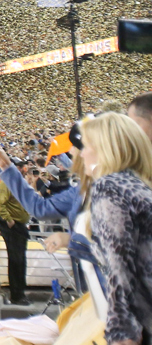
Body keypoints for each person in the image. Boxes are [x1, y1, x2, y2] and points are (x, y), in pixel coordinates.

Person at [79, 112, 152, 345]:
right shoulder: (137, 185)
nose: (81, 153)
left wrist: (121, 330)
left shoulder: (109, 188)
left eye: (86, 146)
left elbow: (119, 263)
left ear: (105, 150)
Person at [0, 163, 31, 304]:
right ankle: (17, 295)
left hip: (19, 225)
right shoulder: (6, 184)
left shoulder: (14, 184)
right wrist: (8, 219)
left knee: (19, 260)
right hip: (13, 226)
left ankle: (19, 292)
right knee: (16, 260)